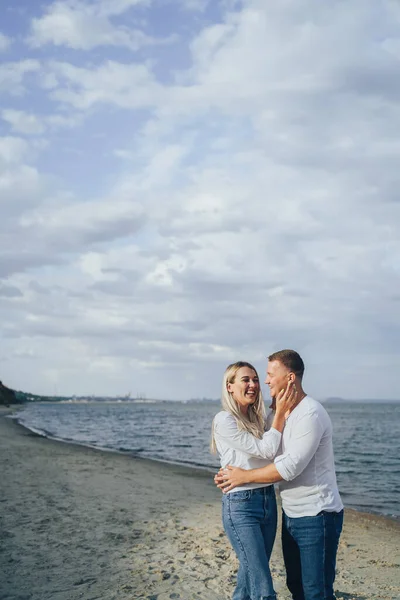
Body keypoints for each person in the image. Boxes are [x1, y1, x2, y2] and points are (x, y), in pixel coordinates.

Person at [216, 350, 344, 600]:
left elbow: (288, 467)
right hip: (289, 512)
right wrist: (230, 471)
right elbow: (260, 450)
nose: (263, 382)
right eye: (250, 379)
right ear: (229, 387)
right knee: (294, 586)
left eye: (268, 375)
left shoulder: (309, 413)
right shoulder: (275, 416)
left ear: (290, 378)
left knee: (315, 591)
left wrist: (243, 476)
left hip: (316, 514)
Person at [211, 361, 296, 600]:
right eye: (245, 380)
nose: (253, 385)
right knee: (263, 585)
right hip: (241, 506)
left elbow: (278, 447)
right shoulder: (224, 419)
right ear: (229, 387)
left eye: (256, 380)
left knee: (249, 576)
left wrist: (277, 411)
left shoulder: (259, 419)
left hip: (268, 501)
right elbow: (267, 450)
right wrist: (279, 413)